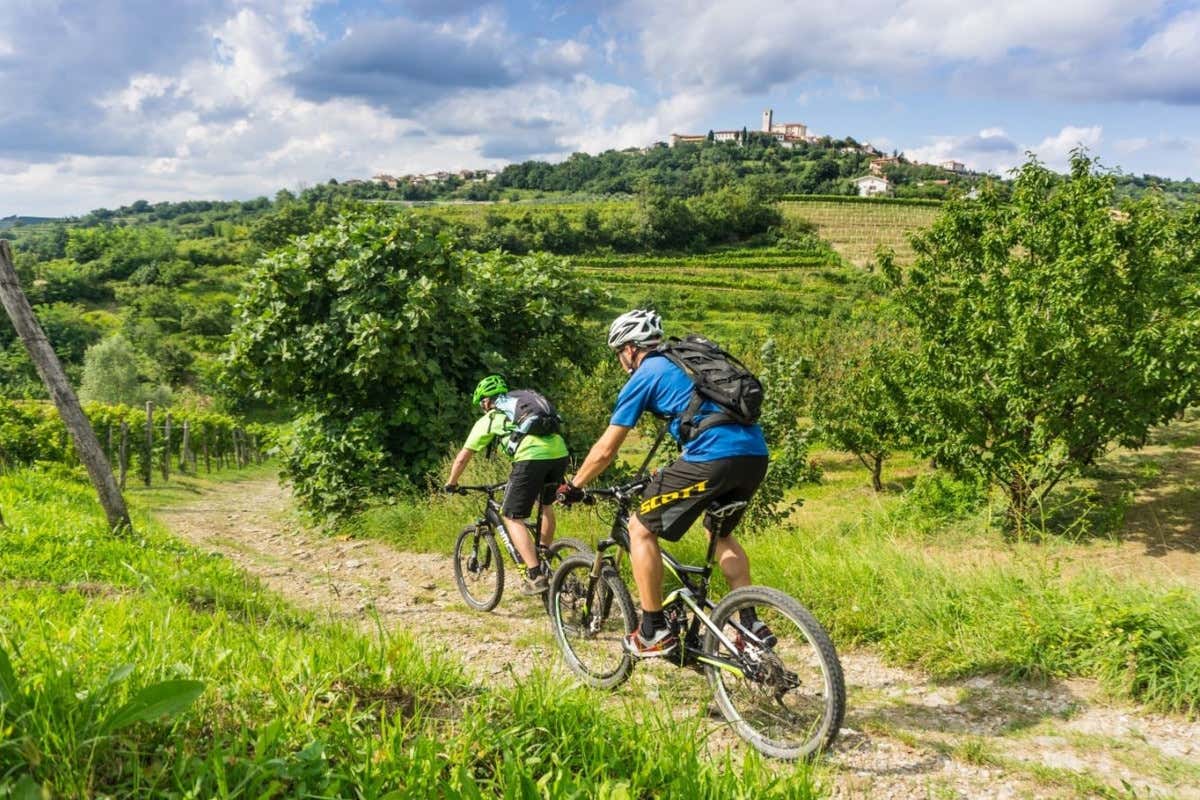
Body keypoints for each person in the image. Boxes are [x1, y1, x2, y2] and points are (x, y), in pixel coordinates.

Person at [559, 310, 772, 657]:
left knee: (640, 528)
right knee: (719, 533)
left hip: (713, 456)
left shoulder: (645, 375)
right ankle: (748, 623)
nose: (620, 361)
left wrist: (575, 485)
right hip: (754, 455)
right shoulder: (686, 365)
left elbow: (605, 450)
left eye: (618, 354)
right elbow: (700, 420)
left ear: (629, 349)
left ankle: (653, 628)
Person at [444, 374, 569, 594]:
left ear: (486, 401)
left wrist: (451, 483)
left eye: (482, 404)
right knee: (545, 504)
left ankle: (535, 574)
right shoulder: (522, 404)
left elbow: (463, 456)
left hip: (530, 457)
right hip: (559, 453)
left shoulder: (491, 417)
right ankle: (543, 553)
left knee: (511, 516)